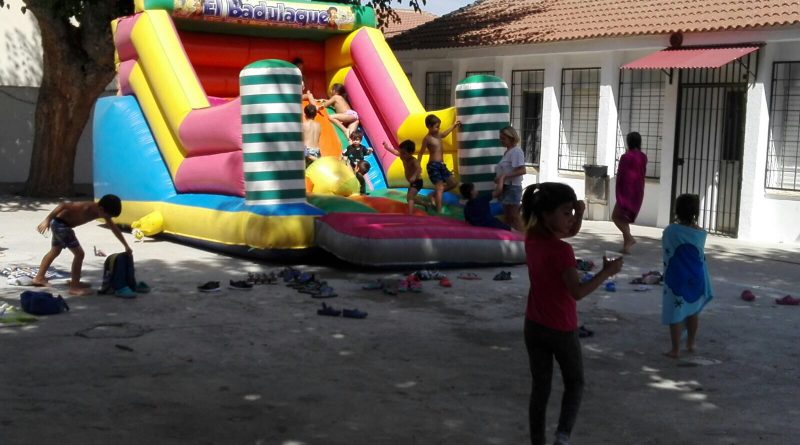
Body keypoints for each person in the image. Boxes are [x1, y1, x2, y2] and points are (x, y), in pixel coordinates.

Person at [521, 182, 623, 445]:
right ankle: (562, 437)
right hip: (561, 328)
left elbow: (569, 231)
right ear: (546, 214)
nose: (570, 220)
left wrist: (577, 212)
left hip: (534, 324)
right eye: (565, 213)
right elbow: (577, 292)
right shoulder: (562, 252)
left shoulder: (532, 238)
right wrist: (606, 273)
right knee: (575, 383)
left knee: (540, 389)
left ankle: (537, 441)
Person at [33, 194, 132, 296]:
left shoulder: (101, 212)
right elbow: (63, 205)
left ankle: (39, 278)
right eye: (109, 216)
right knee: (79, 254)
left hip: (60, 225)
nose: (109, 218)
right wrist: (47, 220)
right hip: (61, 225)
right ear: (101, 209)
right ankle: (74, 287)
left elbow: (114, 229)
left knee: (55, 251)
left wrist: (126, 246)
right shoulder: (86, 207)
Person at [662, 193, 713, 359]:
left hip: (677, 278)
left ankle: (675, 349)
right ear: (696, 212)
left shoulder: (670, 231)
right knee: (693, 311)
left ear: (677, 210)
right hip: (696, 278)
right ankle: (691, 342)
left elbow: (667, 250)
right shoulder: (701, 233)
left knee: (675, 312)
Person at [612, 131, 648, 254]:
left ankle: (630, 238)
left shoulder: (626, 157)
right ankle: (626, 247)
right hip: (638, 191)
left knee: (615, 217)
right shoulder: (643, 157)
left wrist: (619, 192)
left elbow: (621, 175)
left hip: (627, 191)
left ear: (628, 142)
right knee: (624, 219)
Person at [419, 114, 460, 213]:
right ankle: (439, 211)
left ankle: (433, 194)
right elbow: (420, 152)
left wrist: (454, 126)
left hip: (441, 165)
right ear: (429, 126)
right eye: (436, 127)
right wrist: (417, 166)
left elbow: (445, 134)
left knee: (453, 183)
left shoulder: (438, 134)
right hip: (433, 166)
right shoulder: (427, 138)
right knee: (440, 187)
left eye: (439, 126)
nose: (438, 129)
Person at [496, 126, 526, 231]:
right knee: (508, 217)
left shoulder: (516, 152)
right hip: (506, 186)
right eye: (500, 138)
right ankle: (511, 239)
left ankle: (524, 239)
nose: (501, 140)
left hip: (512, 188)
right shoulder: (508, 152)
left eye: (503, 138)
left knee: (514, 216)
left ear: (511, 138)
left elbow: (522, 170)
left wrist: (504, 176)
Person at [383, 140, 423, 215]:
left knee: (410, 197)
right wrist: (387, 147)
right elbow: (395, 152)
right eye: (401, 152)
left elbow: (419, 169)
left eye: (403, 153)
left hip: (417, 181)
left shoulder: (413, 161)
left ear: (411, 153)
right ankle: (425, 204)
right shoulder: (403, 157)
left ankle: (410, 214)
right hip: (412, 182)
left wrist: (414, 176)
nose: (401, 155)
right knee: (409, 199)